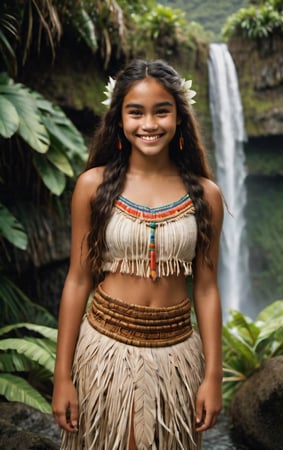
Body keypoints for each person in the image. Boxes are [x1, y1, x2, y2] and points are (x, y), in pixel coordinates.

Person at [52, 59, 223, 450]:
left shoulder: (206, 196)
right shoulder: (92, 187)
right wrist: (62, 375)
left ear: (179, 117)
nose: (150, 124)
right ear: (119, 119)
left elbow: (208, 288)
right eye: (136, 112)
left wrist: (213, 375)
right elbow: (78, 279)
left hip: (177, 353)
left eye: (162, 111)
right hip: (104, 351)